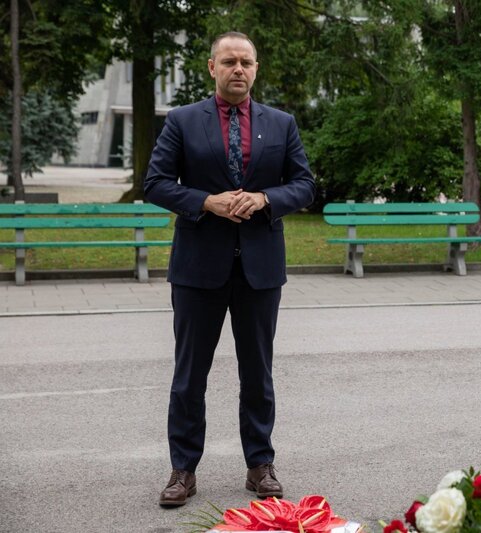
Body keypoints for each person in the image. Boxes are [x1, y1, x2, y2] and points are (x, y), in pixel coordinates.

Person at [145, 31, 315, 507]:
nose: (238, 69)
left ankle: (260, 465)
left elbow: (304, 185)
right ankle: (183, 470)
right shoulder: (182, 121)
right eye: (229, 61)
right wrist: (205, 201)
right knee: (189, 375)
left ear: (256, 69)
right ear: (211, 67)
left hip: (260, 269)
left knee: (258, 373)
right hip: (199, 267)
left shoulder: (281, 123)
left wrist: (265, 198)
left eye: (247, 62)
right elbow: (155, 183)